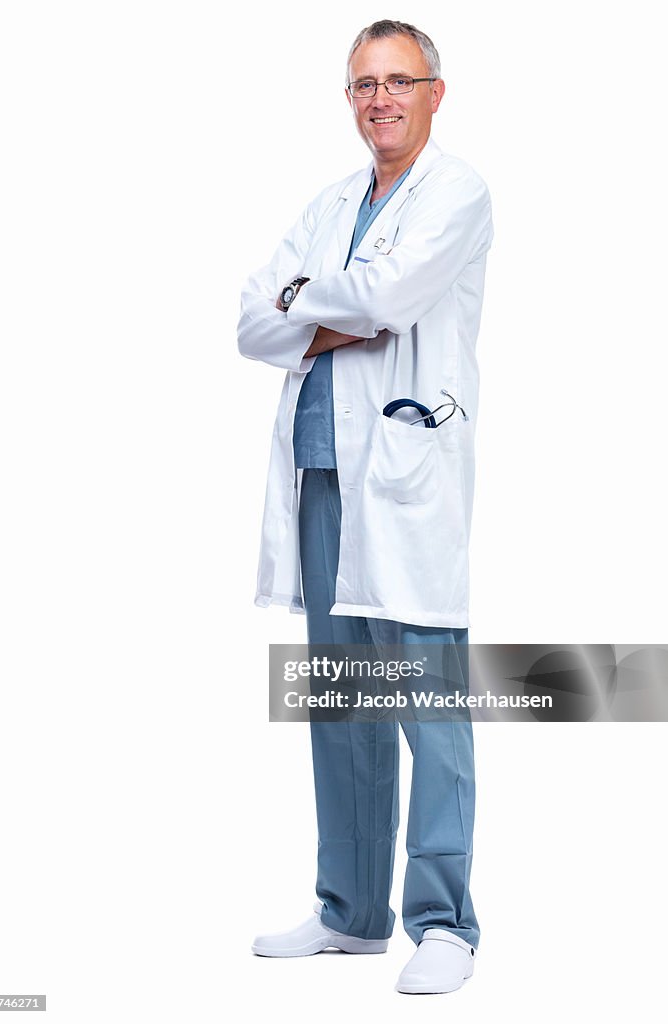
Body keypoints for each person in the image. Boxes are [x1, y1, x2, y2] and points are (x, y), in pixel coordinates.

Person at [238, 19, 493, 995]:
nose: (379, 99)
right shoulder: (332, 200)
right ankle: (350, 910)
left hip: (403, 472)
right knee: (342, 699)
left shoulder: (458, 192)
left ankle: (445, 920)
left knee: (428, 700)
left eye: (398, 81)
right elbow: (261, 316)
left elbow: (389, 295)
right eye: (362, 85)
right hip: (321, 473)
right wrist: (323, 307)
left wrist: (329, 304)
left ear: (435, 91)